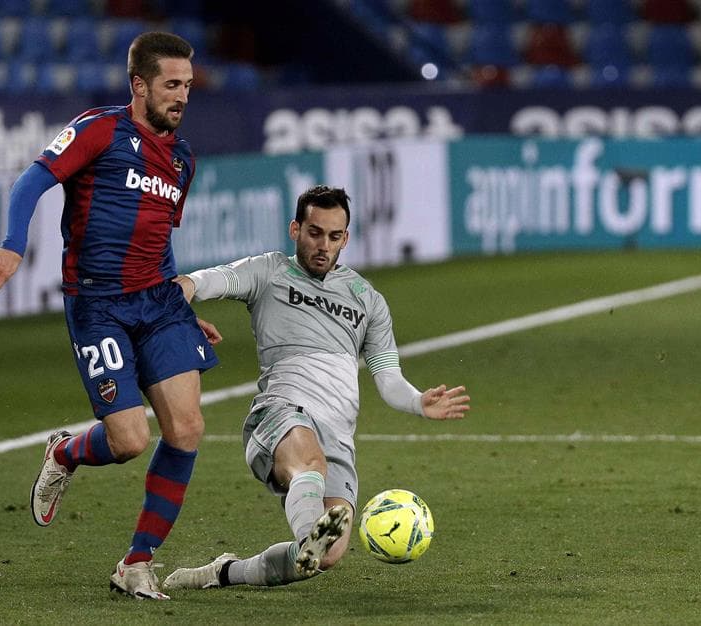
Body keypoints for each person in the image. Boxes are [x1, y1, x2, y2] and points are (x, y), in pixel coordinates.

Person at [0, 32, 218, 601]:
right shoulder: (98, 129)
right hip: (98, 306)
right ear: (139, 85)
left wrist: (180, 307)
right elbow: (32, 180)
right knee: (131, 440)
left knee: (186, 429)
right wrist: (14, 244)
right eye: (170, 85)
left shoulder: (183, 159)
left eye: (187, 85)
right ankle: (65, 451)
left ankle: (137, 562)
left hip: (158, 303)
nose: (182, 96)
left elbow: (158, 239)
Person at [161, 185, 470, 591]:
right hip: (280, 413)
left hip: (337, 435)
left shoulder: (367, 300)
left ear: (346, 238)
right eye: (314, 232)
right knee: (309, 465)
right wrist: (183, 290)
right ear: (295, 229)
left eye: (335, 236)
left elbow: (388, 377)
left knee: (326, 557)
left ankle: (223, 572)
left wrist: (417, 402)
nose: (324, 245)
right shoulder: (270, 272)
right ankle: (310, 533)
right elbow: (209, 280)